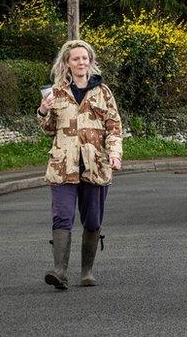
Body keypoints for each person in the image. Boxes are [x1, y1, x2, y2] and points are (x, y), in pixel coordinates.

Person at [37, 40, 123, 289]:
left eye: (84, 58)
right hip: (63, 165)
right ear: (67, 63)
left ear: (90, 61)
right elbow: (49, 129)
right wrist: (43, 111)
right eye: (76, 59)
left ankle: (87, 271)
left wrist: (115, 154)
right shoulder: (56, 92)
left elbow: (114, 127)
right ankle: (59, 271)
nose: (81, 62)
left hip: (96, 165)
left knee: (93, 221)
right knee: (62, 217)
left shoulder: (103, 92)